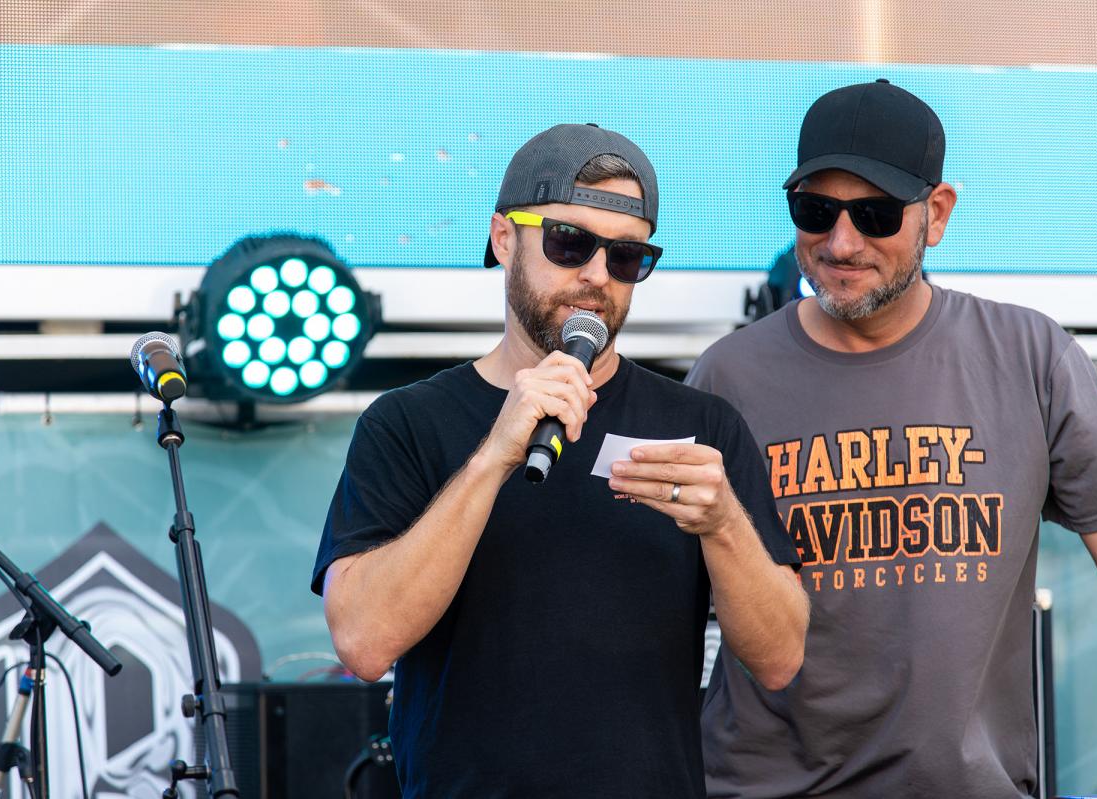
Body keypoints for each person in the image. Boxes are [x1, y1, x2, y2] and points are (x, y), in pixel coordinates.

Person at [312, 123, 808, 798]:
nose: (597, 274)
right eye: (568, 242)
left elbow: (781, 660)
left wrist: (723, 524)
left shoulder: (700, 426)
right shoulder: (407, 423)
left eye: (627, 256)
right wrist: (493, 456)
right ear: (503, 238)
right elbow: (364, 643)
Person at [688, 80, 1097, 797]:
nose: (841, 242)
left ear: (938, 213)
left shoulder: (1032, 358)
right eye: (815, 211)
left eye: (876, 214)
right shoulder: (725, 378)